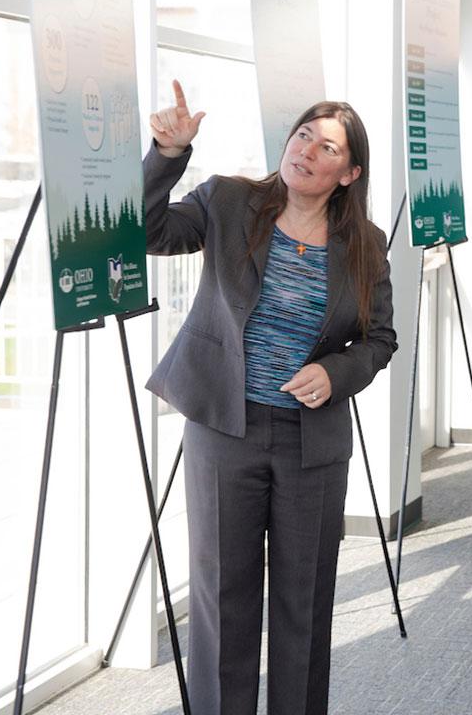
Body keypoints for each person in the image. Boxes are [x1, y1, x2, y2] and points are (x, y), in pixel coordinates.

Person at [143, 80, 396, 715]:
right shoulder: (229, 201)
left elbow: (380, 339)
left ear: (349, 173)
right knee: (222, 597)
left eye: (327, 147)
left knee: (302, 603)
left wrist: (336, 372)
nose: (306, 150)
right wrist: (167, 154)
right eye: (303, 135)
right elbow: (150, 231)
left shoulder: (365, 244)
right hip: (224, 429)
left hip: (311, 443)